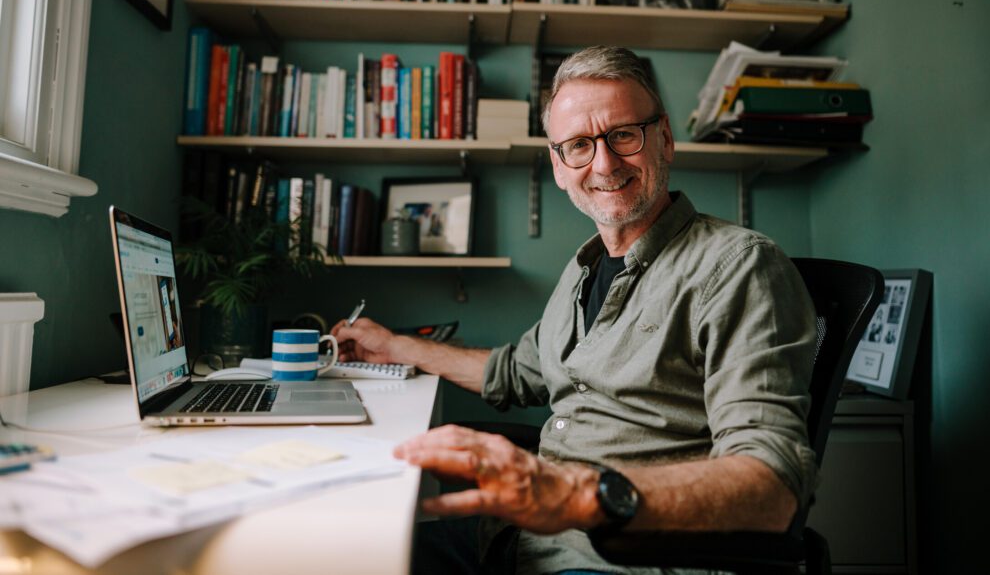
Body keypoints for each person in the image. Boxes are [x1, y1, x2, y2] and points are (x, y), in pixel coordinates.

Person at [331, 46, 818, 575]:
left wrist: (580, 493)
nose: (604, 164)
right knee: (338, 555)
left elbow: (774, 486)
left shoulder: (738, 267)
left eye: (624, 135)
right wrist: (397, 347)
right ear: (559, 166)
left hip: (621, 559)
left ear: (666, 139)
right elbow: (515, 373)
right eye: (580, 146)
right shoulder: (583, 269)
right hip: (517, 539)